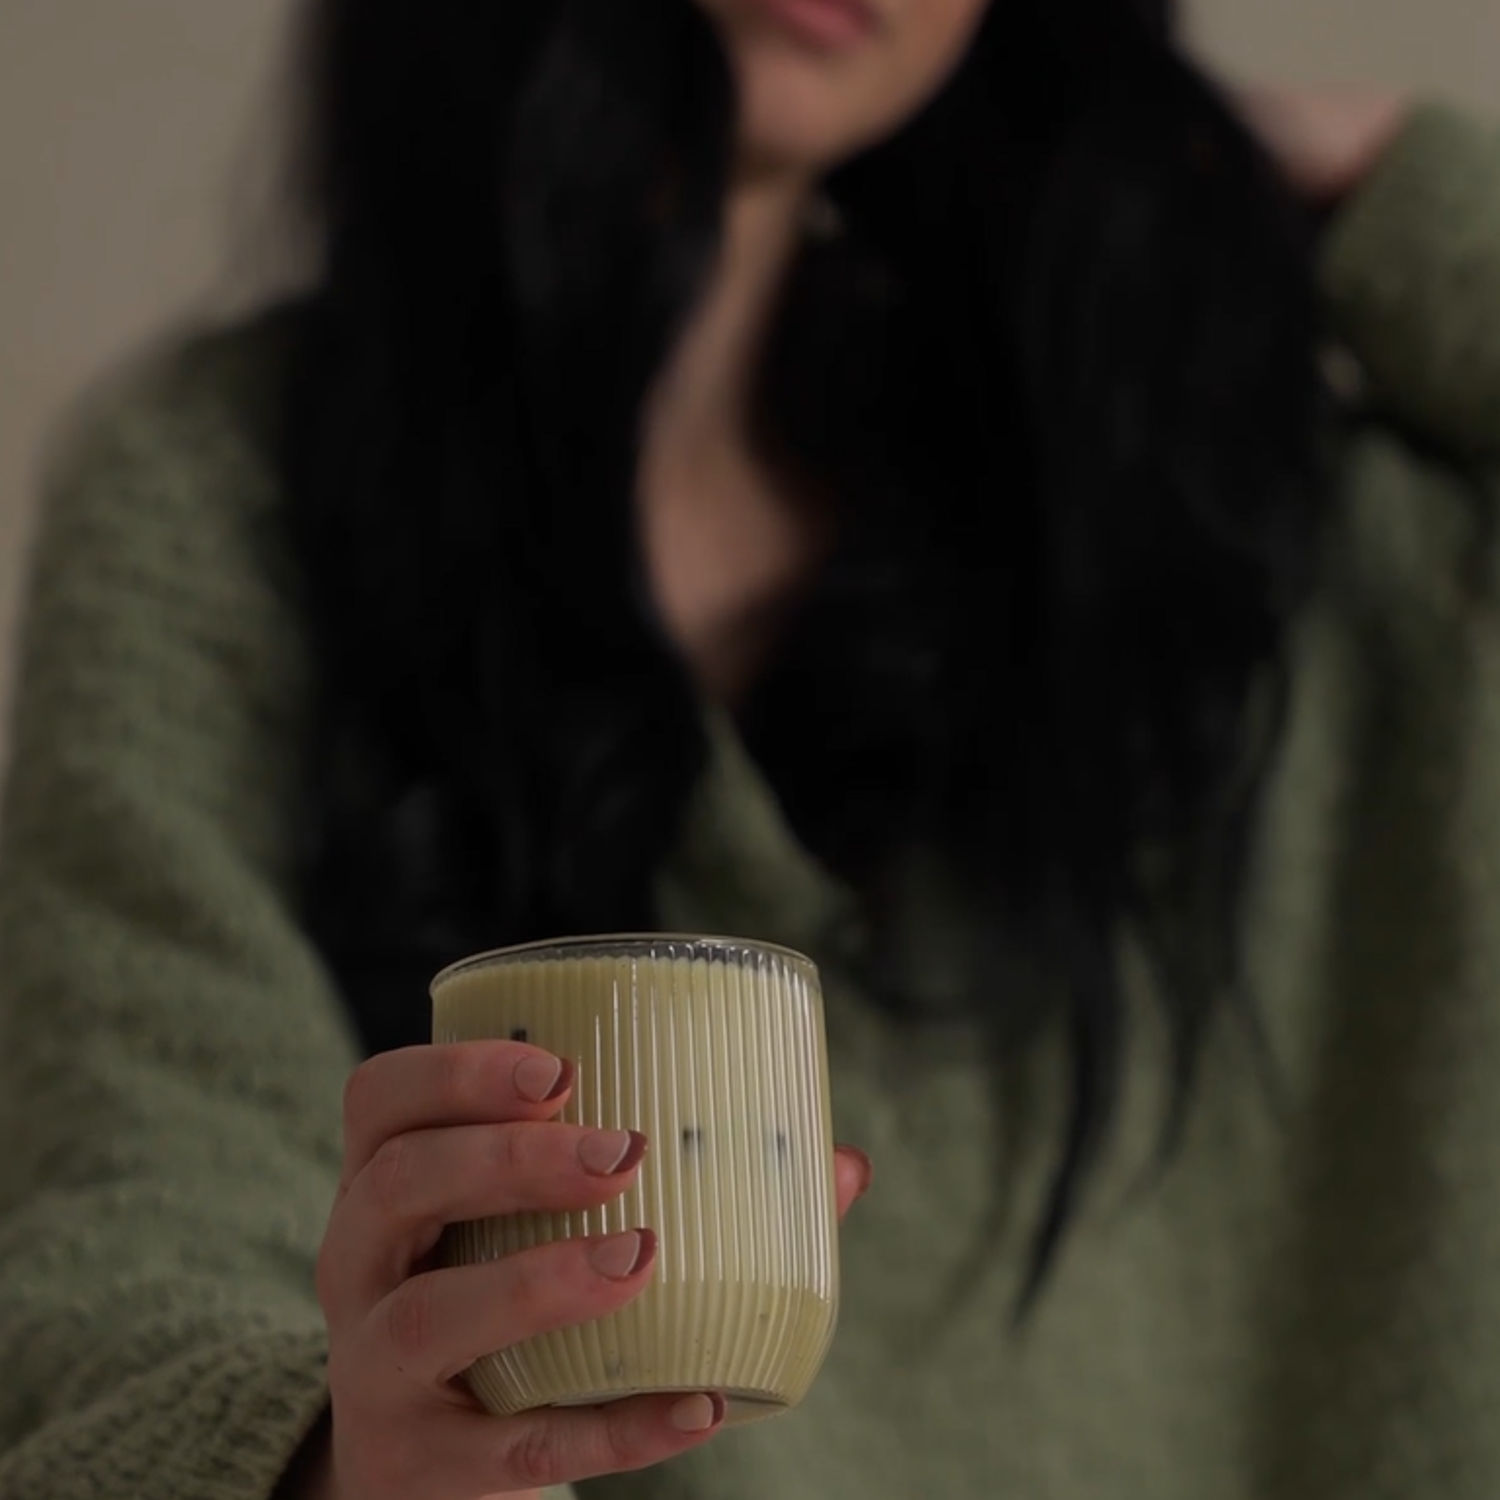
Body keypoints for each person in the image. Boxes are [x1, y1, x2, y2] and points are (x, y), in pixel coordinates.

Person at [2, 0, 1498, 1495]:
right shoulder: (226, 506)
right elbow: (134, 1207)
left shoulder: (1241, 537)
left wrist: (1389, 187)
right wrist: (329, 1465)